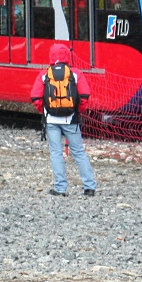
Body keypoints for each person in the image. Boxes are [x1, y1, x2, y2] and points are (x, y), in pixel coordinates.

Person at [29, 43, 97, 197]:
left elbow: (35, 97)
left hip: (52, 121)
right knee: (79, 152)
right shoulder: (75, 73)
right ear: (68, 55)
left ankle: (60, 188)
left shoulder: (44, 74)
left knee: (56, 153)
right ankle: (89, 187)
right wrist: (77, 111)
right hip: (71, 120)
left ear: (51, 56)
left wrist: (45, 111)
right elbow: (85, 95)